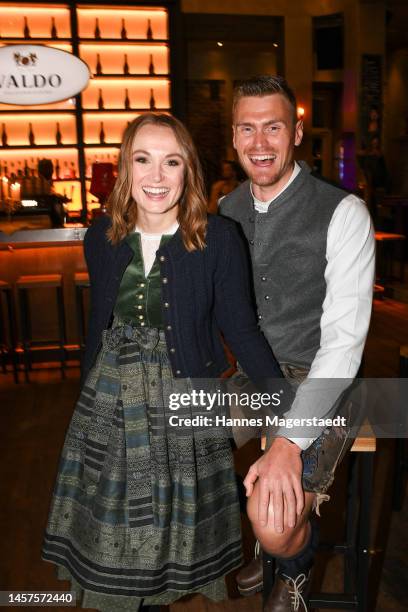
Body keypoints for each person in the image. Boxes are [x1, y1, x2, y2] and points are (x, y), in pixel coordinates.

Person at [41, 112, 289, 612]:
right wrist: (85, 399)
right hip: (110, 403)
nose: (156, 177)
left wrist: (284, 404)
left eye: (170, 162)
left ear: (188, 172)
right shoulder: (100, 236)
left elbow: (240, 329)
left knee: (165, 539)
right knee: (115, 536)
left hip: (185, 399)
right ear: (125, 170)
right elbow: (98, 329)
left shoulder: (218, 238)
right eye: (143, 160)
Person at [219, 76, 375, 611]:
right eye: (247, 128)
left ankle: (292, 564)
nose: (260, 143)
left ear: (297, 132)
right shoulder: (223, 212)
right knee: (167, 456)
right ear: (234, 137)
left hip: (323, 379)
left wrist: (287, 442)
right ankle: (244, 546)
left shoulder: (344, 212)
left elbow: (343, 346)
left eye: (274, 127)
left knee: (274, 523)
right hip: (252, 377)